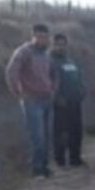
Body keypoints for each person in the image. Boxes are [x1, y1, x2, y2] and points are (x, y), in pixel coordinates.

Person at [6, 23, 57, 178]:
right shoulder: (24, 52)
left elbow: (54, 74)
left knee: (47, 135)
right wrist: (17, 92)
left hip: (47, 98)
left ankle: (44, 166)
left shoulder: (46, 54)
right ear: (33, 36)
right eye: (40, 37)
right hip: (31, 99)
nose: (44, 40)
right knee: (37, 136)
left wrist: (53, 89)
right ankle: (36, 169)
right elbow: (11, 71)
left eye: (46, 37)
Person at [50, 33, 86, 167]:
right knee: (60, 133)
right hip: (60, 103)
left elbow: (79, 77)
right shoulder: (50, 61)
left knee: (76, 131)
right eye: (58, 44)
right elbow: (48, 82)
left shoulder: (70, 61)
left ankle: (75, 158)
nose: (61, 47)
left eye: (63, 44)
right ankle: (60, 160)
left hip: (75, 102)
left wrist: (82, 91)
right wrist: (56, 98)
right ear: (53, 45)